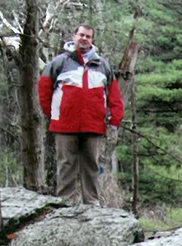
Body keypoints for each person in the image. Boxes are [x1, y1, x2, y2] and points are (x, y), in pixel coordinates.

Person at [38, 24, 124, 205]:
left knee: (92, 166)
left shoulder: (103, 65)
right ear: (74, 36)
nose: (84, 39)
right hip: (64, 125)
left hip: (93, 125)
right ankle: (64, 204)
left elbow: (114, 95)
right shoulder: (59, 62)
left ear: (92, 40)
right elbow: (44, 89)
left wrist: (115, 119)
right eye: (81, 35)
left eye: (88, 36)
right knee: (66, 165)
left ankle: (92, 204)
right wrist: (53, 113)